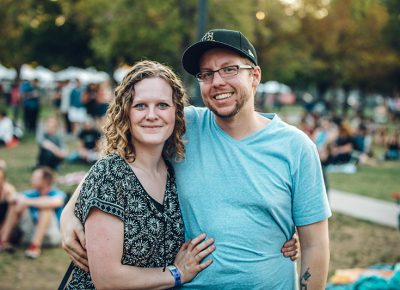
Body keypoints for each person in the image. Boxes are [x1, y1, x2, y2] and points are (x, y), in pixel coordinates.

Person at [61, 29, 321, 289]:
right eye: (206, 74)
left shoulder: (295, 147)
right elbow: (118, 163)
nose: (217, 81)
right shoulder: (185, 126)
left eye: (229, 69)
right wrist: (70, 213)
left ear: (255, 75)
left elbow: (315, 245)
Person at [64, 60, 216, 289]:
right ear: (125, 112)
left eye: (162, 105)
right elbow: (106, 279)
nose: (152, 115)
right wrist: (176, 274)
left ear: (177, 112)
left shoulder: (174, 170)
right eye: (141, 106)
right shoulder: (111, 173)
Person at [0, 167, 66, 258]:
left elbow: (57, 202)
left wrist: (27, 201)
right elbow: (14, 198)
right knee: (15, 205)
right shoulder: (32, 193)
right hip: (31, 231)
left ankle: (35, 247)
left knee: (46, 208)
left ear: (45, 181)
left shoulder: (57, 193)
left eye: (35, 178)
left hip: (51, 236)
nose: (31, 179)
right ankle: (3, 241)